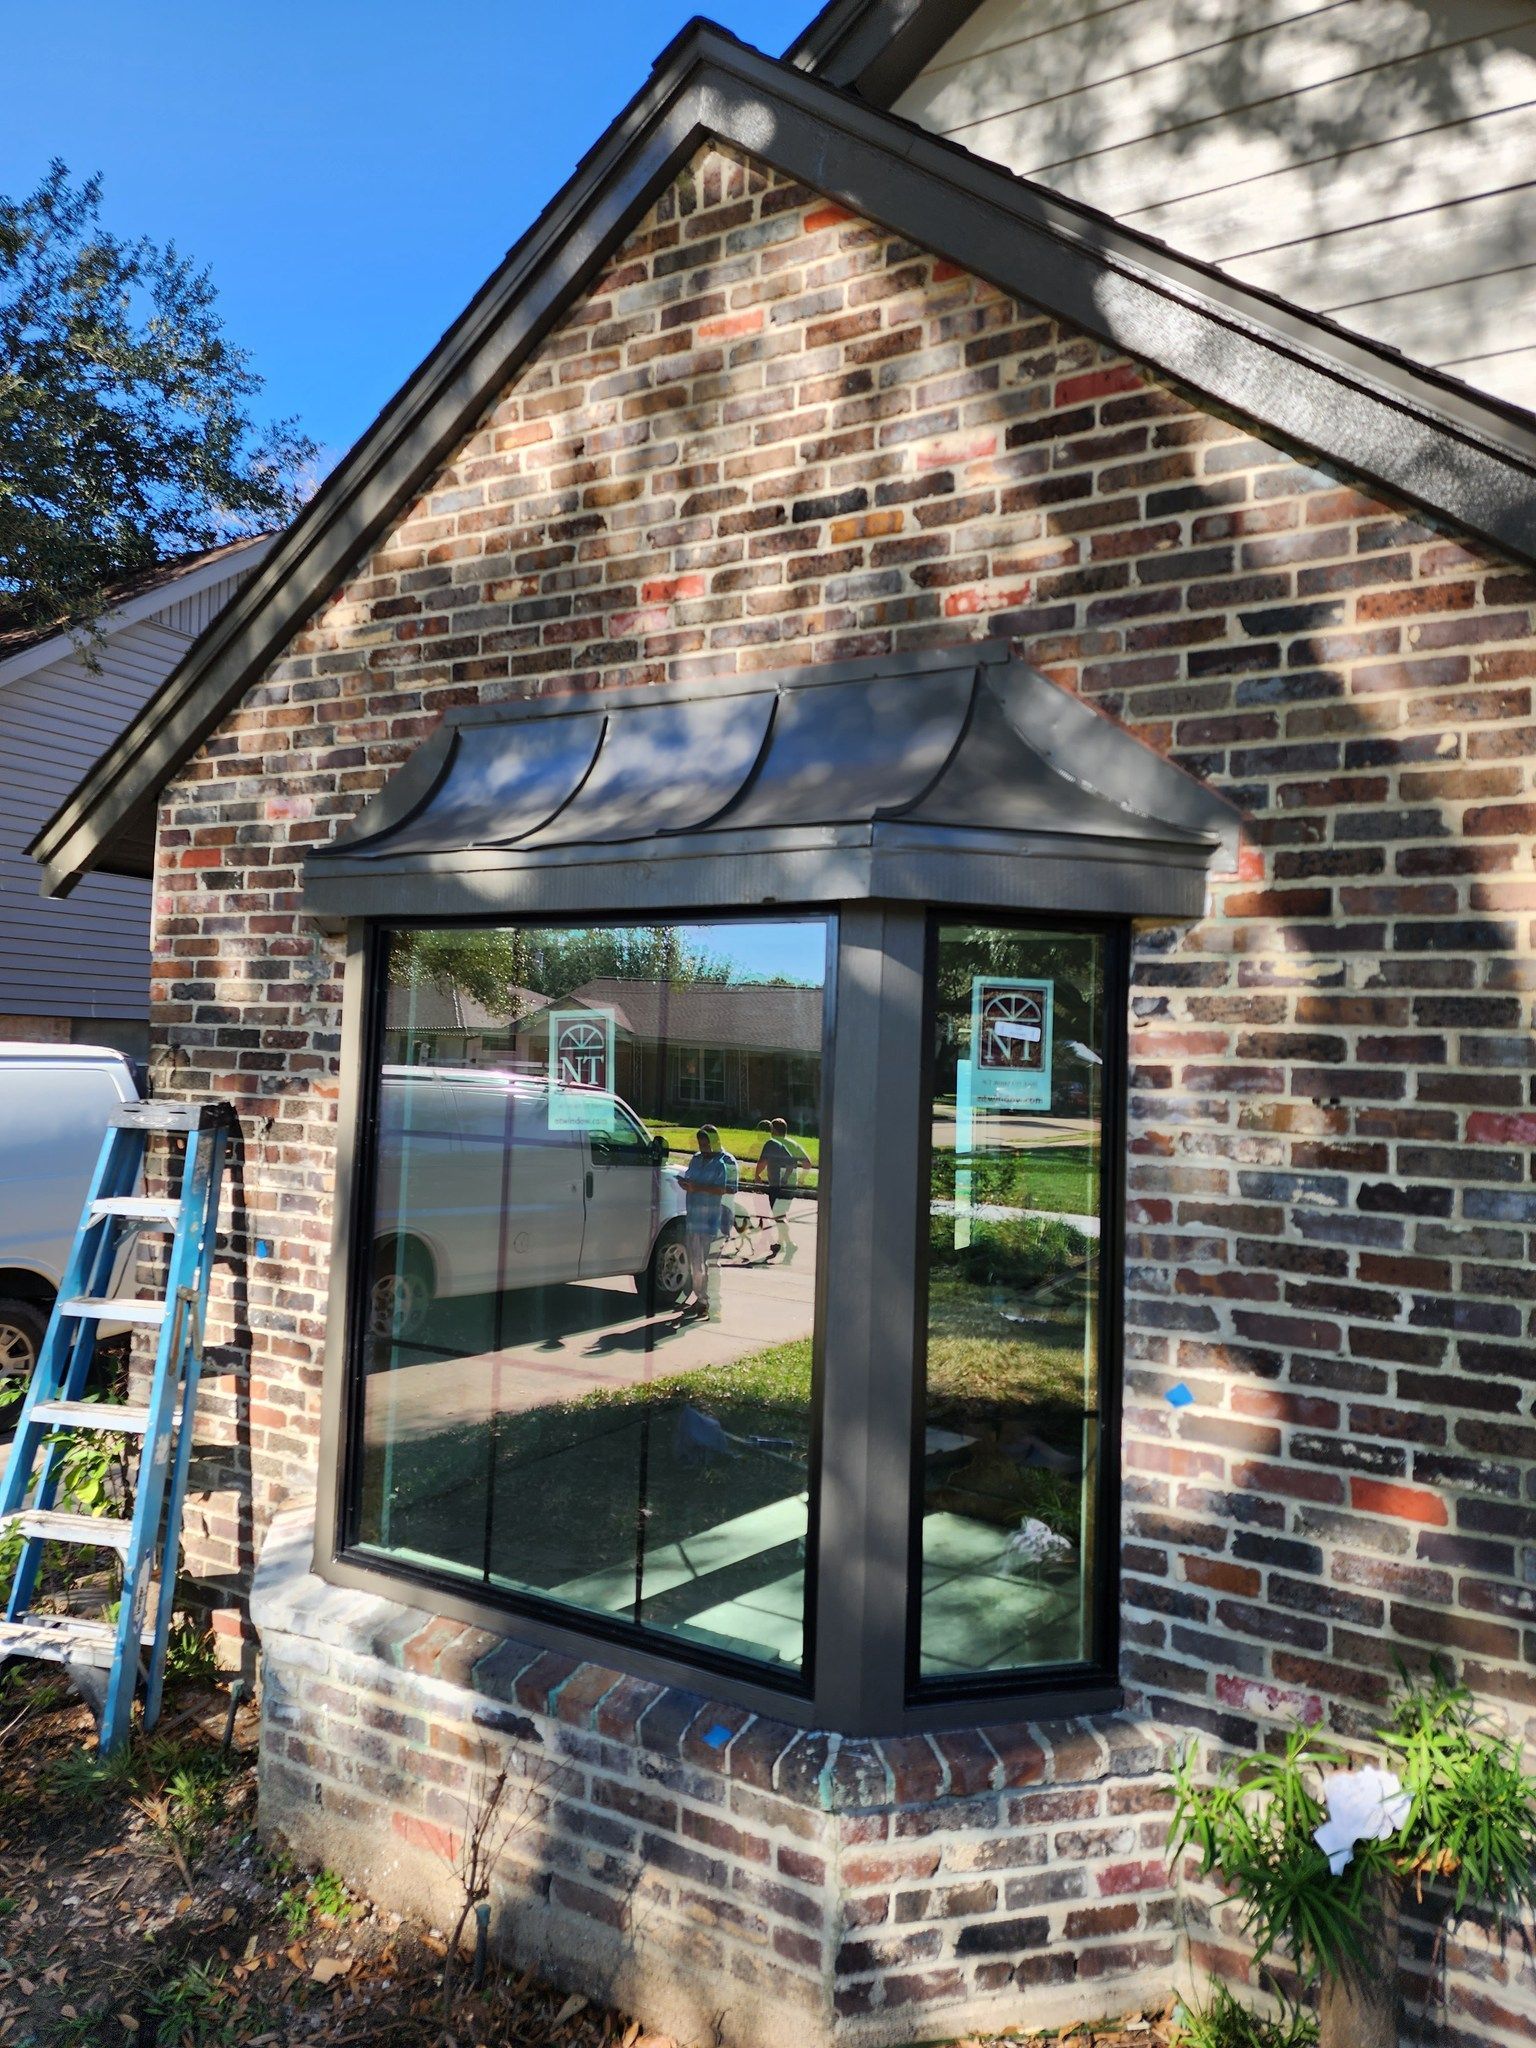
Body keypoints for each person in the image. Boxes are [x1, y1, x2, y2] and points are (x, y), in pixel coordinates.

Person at [677, 1125, 736, 1319]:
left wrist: (697, 1187)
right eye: (701, 1143)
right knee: (695, 1263)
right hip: (695, 1217)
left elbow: (730, 1189)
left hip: (716, 1219)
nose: (703, 1147)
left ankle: (712, 1303)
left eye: (706, 1143)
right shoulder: (696, 1159)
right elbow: (690, 1179)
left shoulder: (727, 1161)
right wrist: (685, 1184)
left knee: (710, 1263)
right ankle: (700, 1300)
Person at [753, 1116, 810, 1266]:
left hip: (777, 1185)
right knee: (780, 1214)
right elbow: (807, 1163)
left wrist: (757, 1175)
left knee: (779, 1214)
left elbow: (763, 1162)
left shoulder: (772, 1144)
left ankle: (789, 1245)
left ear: (773, 1130)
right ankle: (781, 1243)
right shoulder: (793, 1144)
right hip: (791, 1186)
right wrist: (802, 1178)